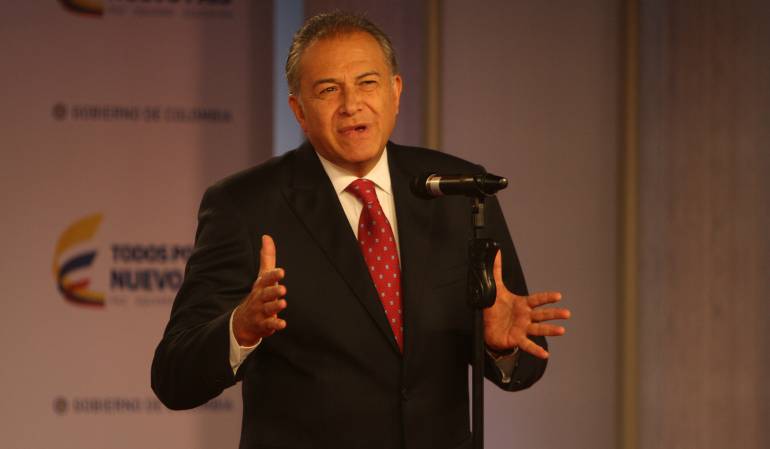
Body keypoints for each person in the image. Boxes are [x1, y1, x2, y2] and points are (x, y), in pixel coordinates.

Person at [151, 11, 570, 449]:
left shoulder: (460, 191)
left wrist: (501, 348)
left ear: (396, 91)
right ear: (298, 110)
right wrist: (240, 329)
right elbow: (173, 377)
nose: (351, 104)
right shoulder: (244, 205)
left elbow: (524, 363)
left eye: (367, 83)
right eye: (329, 90)